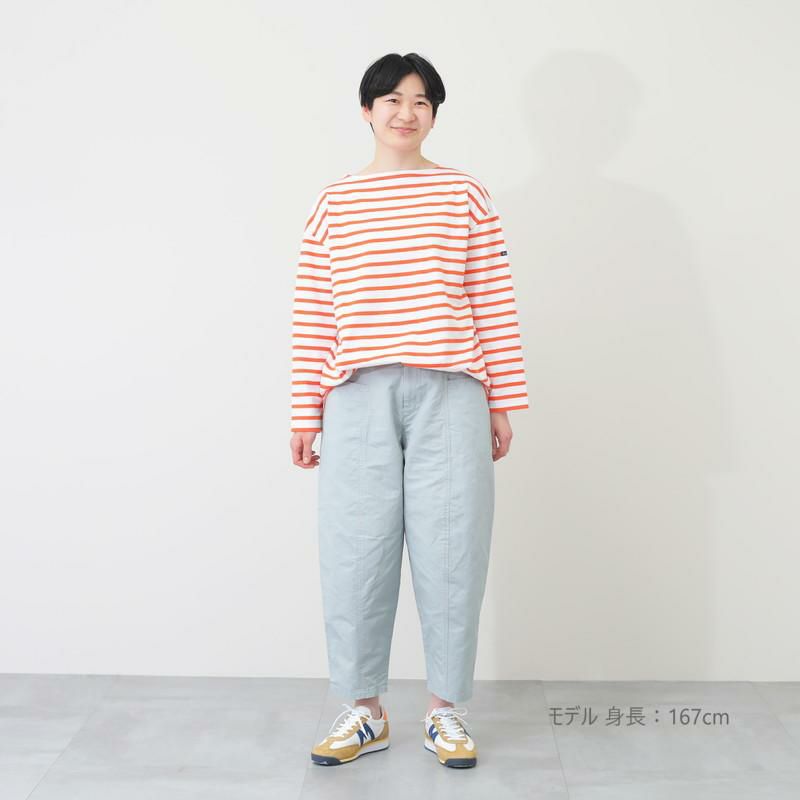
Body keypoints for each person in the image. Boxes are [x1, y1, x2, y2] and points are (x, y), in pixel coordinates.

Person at [289, 52, 529, 769]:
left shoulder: (464, 194)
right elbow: (314, 314)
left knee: (452, 550)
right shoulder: (334, 202)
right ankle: (363, 711)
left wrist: (503, 401)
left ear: (434, 115)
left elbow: (492, 299)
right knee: (355, 552)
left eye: (421, 101)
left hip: (452, 390)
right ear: (367, 110)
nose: (406, 112)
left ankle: (445, 712)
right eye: (392, 99)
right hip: (355, 393)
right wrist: (304, 412)